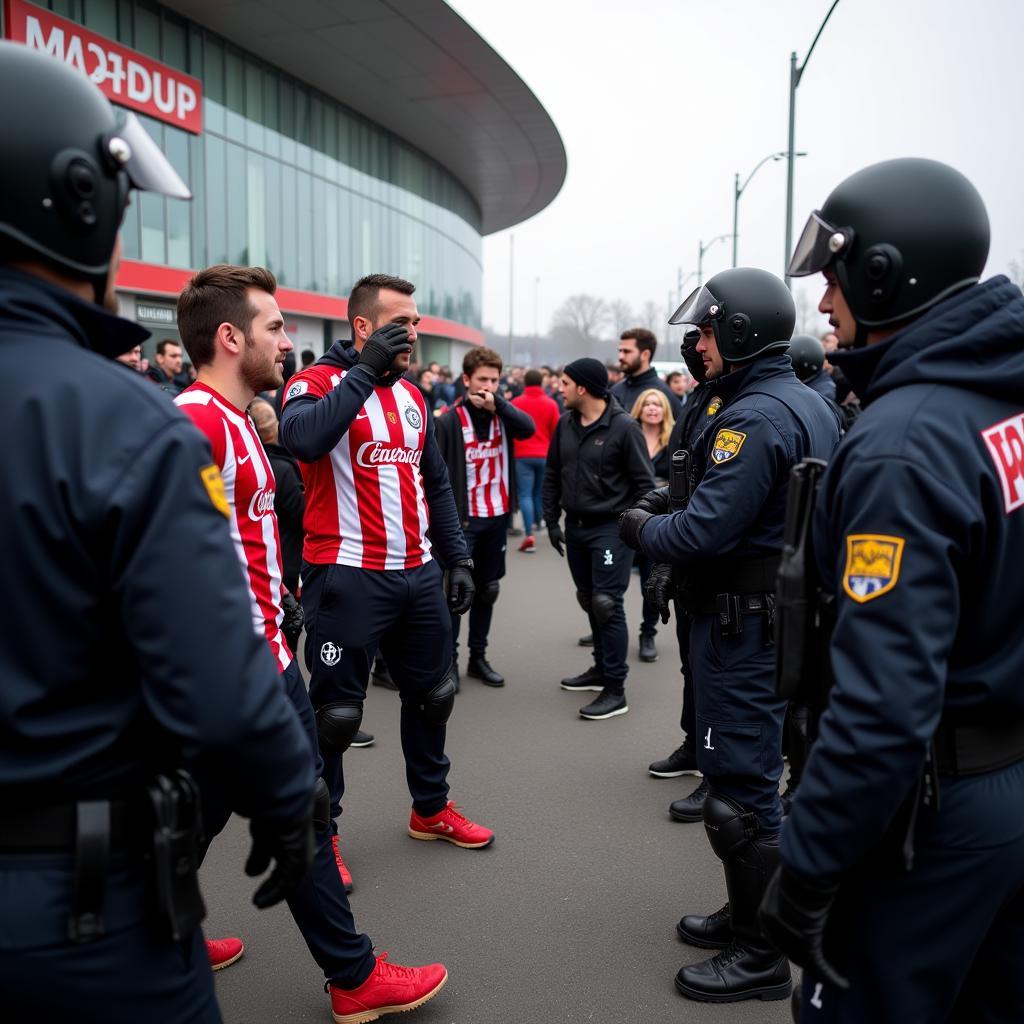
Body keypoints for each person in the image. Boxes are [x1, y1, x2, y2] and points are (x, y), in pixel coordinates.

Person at [0, 43, 319, 1023]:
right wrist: (288, 796)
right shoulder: (122, 419)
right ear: (80, 200)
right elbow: (219, 691)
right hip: (72, 906)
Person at [760, 158, 1024, 1023]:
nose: (825, 304)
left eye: (834, 277)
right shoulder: (1000, 407)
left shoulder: (905, 441)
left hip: (930, 814)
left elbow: (882, 709)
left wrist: (806, 865)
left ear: (881, 274)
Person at [174, 263, 441, 1017]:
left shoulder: (237, 418)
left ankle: (160, 928)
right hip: (246, 670)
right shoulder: (197, 420)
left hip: (265, 651)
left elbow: (235, 534)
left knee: (210, 807)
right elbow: (169, 555)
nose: (289, 342)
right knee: (306, 810)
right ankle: (354, 977)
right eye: (275, 327)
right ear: (230, 338)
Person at [619, 267, 840, 1003]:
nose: (697, 342)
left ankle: (761, 953)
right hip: (762, 623)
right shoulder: (787, 400)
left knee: (741, 799)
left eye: (709, 329)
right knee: (739, 787)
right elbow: (693, 484)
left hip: (747, 628)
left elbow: (704, 528)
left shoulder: (757, 417)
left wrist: (641, 526)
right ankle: (748, 911)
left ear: (742, 330)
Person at [280, 273, 495, 854]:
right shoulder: (314, 382)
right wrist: (363, 371)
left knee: (434, 695)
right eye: (402, 324)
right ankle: (323, 839)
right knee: (337, 717)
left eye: (417, 323)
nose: (414, 333)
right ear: (363, 327)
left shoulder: (413, 395)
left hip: (417, 572)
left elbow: (437, 483)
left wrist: (457, 559)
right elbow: (302, 440)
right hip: (345, 573)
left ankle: (430, 809)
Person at [545, 358, 655, 720]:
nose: (559, 388)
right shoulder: (565, 424)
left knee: (608, 603)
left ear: (582, 388)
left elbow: (645, 487)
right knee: (589, 599)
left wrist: (634, 529)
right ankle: (599, 669)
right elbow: (552, 473)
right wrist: (550, 520)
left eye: (564, 383)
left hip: (611, 529)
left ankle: (615, 689)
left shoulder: (624, 428)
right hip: (574, 527)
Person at [647, 331, 726, 823]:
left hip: (719, 565)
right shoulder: (700, 398)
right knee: (693, 667)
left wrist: (662, 547)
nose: (695, 350)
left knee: (717, 677)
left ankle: (718, 775)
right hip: (690, 560)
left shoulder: (735, 404)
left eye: (705, 340)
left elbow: (710, 501)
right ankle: (695, 747)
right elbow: (683, 479)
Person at [436, 347, 535, 688]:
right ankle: (449, 662)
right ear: (466, 380)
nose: (489, 387)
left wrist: (501, 405)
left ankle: (478, 658)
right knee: (456, 592)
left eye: (494, 380)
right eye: (482, 380)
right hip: (464, 522)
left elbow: (529, 428)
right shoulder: (448, 420)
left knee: (488, 590)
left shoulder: (503, 415)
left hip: (496, 518)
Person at [629, 388, 676, 663]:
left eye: (657, 404)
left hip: (657, 520)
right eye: (647, 403)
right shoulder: (628, 434)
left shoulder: (674, 439)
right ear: (640, 408)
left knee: (650, 580)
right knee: (608, 586)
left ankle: (648, 632)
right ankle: (604, 626)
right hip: (627, 515)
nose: (652, 408)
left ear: (665, 410)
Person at [511, 368, 562, 550]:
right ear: (541, 382)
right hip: (544, 454)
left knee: (524, 494)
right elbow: (557, 430)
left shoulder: (516, 402)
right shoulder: (551, 404)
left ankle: (528, 533)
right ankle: (539, 522)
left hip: (522, 453)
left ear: (525, 382)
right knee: (539, 492)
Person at [612, 327, 682, 416]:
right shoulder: (615, 390)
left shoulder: (663, 394)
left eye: (626, 351)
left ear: (645, 354)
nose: (620, 357)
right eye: (620, 351)